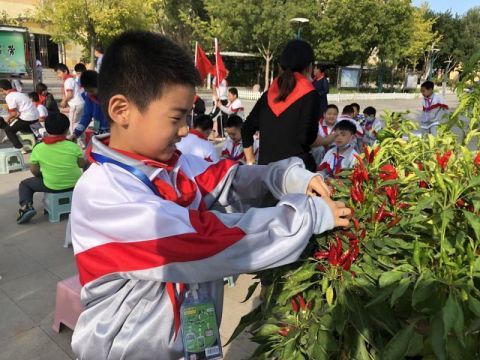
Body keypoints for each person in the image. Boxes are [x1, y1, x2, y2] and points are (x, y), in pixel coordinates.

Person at [68, 30, 350, 360]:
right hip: (138, 349)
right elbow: (207, 239)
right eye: (176, 118)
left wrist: (288, 176)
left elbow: (233, 179)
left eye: (187, 117)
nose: (186, 130)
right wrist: (309, 215)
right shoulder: (102, 194)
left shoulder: (175, 165)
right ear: (121, 110)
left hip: (193, 333)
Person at [242, 39, 321, 171]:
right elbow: (306, 138)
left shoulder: (268, 94)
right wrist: (327, 140)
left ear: (281, 65)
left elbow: (246, 130)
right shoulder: (310, 95)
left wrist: (251, 162)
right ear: (309, 67)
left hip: (266, 174)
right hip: (296, 174)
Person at [16, 113, 85, 224]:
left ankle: (26, 207)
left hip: (52, 185)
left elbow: (34, 170)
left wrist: (41, 175)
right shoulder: (73, 146)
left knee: (25, 184)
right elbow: (82, 164)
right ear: (67, 130)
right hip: (75, 184)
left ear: (46, 129)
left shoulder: (39, 148)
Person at [0, 79, 40, 152]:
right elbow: (17, 113)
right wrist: (11, 118)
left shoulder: (9, 96)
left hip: (27, 118)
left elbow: (14, 113)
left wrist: (7, 119)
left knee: (8, 130)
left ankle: (19, 148)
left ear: (1, 89)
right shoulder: (20, 93)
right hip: (34, 116)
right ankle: (34, 139)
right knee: (13, 124)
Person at [70, 70, 109, 142]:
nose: (89, 93)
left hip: (113, 130)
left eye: (91, 91)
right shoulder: (89, 97)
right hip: (97, 126)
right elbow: (86, 116)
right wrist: (76, 134)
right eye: (86, 90)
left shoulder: (111, 96)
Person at [55, 63, 85, 135]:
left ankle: (75, 141)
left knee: (72, 125)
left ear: (65, 71)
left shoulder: (68, 81)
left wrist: (64, 102)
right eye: (56, 73)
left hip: (76, 105)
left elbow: (70, 94)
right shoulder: (71, 79)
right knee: (78, 124)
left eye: (59, 73)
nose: (58, 75)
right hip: (79, 103)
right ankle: (81, 142)